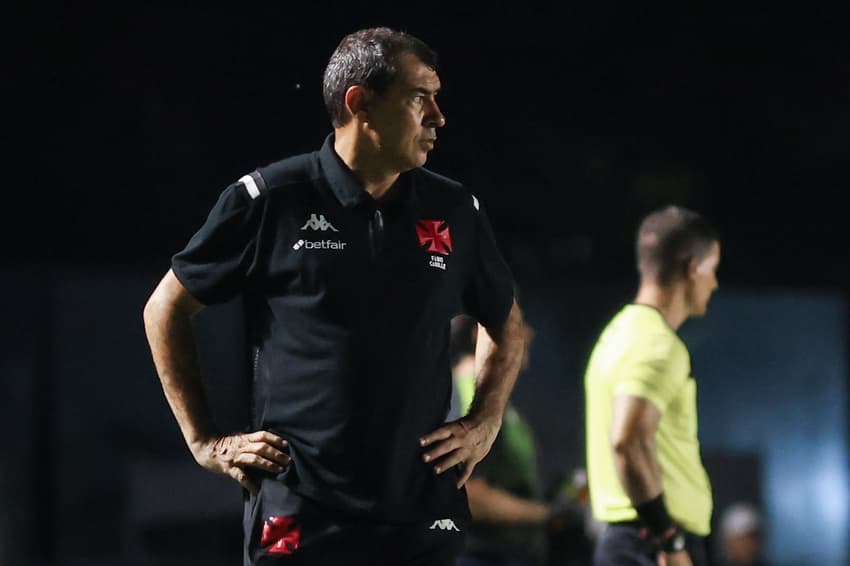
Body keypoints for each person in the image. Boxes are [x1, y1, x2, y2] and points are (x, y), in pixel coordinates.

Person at [142, 27, 530, 566]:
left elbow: (506, 326)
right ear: (360, 103)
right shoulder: (271, 199)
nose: (438, 116)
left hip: (420, 509)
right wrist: (204, 441)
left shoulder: (454, 208)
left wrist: (484, 421)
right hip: (302, 505)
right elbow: (165, 308)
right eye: (421, 97)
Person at [583, 205, 721, 566]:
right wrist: (670, 541)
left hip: (635, 539)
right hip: (651, 544)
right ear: (692, 268)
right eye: (713, 270)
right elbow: (628, 441)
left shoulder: (616, 334)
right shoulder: (657, 343)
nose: (715, 283)